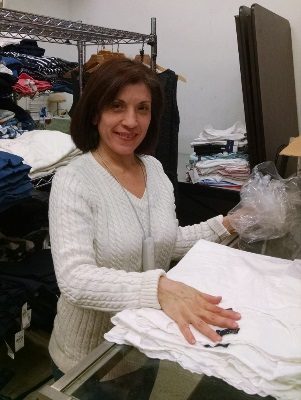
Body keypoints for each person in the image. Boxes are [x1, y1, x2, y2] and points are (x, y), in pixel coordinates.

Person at [48, 58, 240, 392]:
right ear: (95, 113)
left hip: (143, 348)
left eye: (143, 108)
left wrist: (228, 224)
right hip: (87, 364)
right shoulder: (73, 180)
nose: (130, 121)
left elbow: (164, 240)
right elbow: (74, 279)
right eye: (116, 106)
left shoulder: (153, 169)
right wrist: (159, 288)